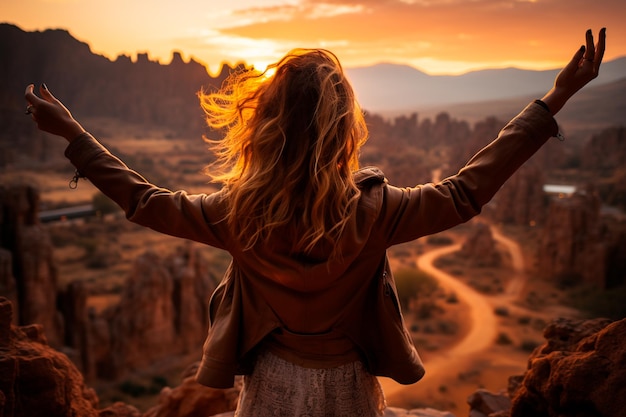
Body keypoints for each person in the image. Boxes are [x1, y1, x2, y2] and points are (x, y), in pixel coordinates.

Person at [24, 29, 605, 416]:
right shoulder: (378, 210)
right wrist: (554, 97)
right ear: (344, 127)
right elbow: (465, 192)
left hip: (271, 383)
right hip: (350, 383)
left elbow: (144, 200)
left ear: (268, 124)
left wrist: (75, 135)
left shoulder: (238, 213)